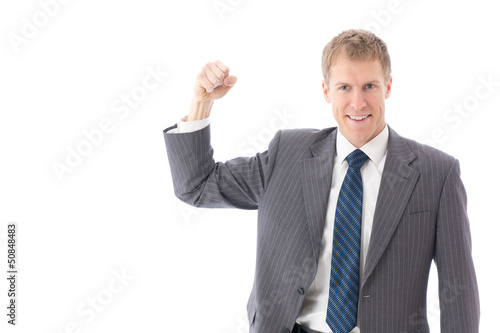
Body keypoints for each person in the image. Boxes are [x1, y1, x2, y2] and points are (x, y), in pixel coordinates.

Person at [162, 29, 480, 333]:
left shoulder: (437, 173)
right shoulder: (287, 154)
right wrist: (201, 103)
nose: (357, 103)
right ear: (326, 90)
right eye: (344, 87)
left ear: (389, 86)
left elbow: (459, 292)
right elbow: (197, 185)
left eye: (369, 86)